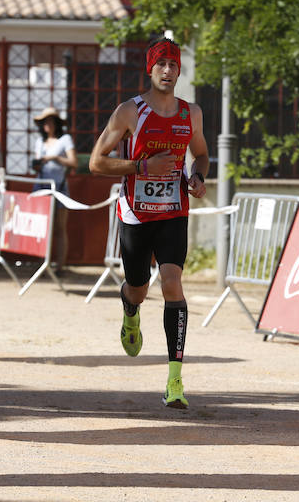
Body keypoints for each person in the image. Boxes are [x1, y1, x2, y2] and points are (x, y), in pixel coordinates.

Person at [89, 37, 209, 409]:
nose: (168, 71)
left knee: (172, 283)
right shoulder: (129, 112)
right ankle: (130, 311)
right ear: (150, 69)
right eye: (162, 65)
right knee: (139, 287)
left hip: (174, 210)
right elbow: (96, 162)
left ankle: (175, 380)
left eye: (174, 65)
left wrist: (198, 176)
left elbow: (201, 154)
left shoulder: (192, 113)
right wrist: (142, 166)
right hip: (136, 213)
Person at [32, 106, 77, 272]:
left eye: (51, 121)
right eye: (45, 122)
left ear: (57, 124)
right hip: (41, 186)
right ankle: (43, 264)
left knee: (59, 227)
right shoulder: (39, 142)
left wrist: (55, 158)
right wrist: (38, 164)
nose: (47, 125)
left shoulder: (65, 140)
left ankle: (59, 266)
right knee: (42, 227)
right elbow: (37, 165)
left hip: (59, 187)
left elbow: (74, 163)